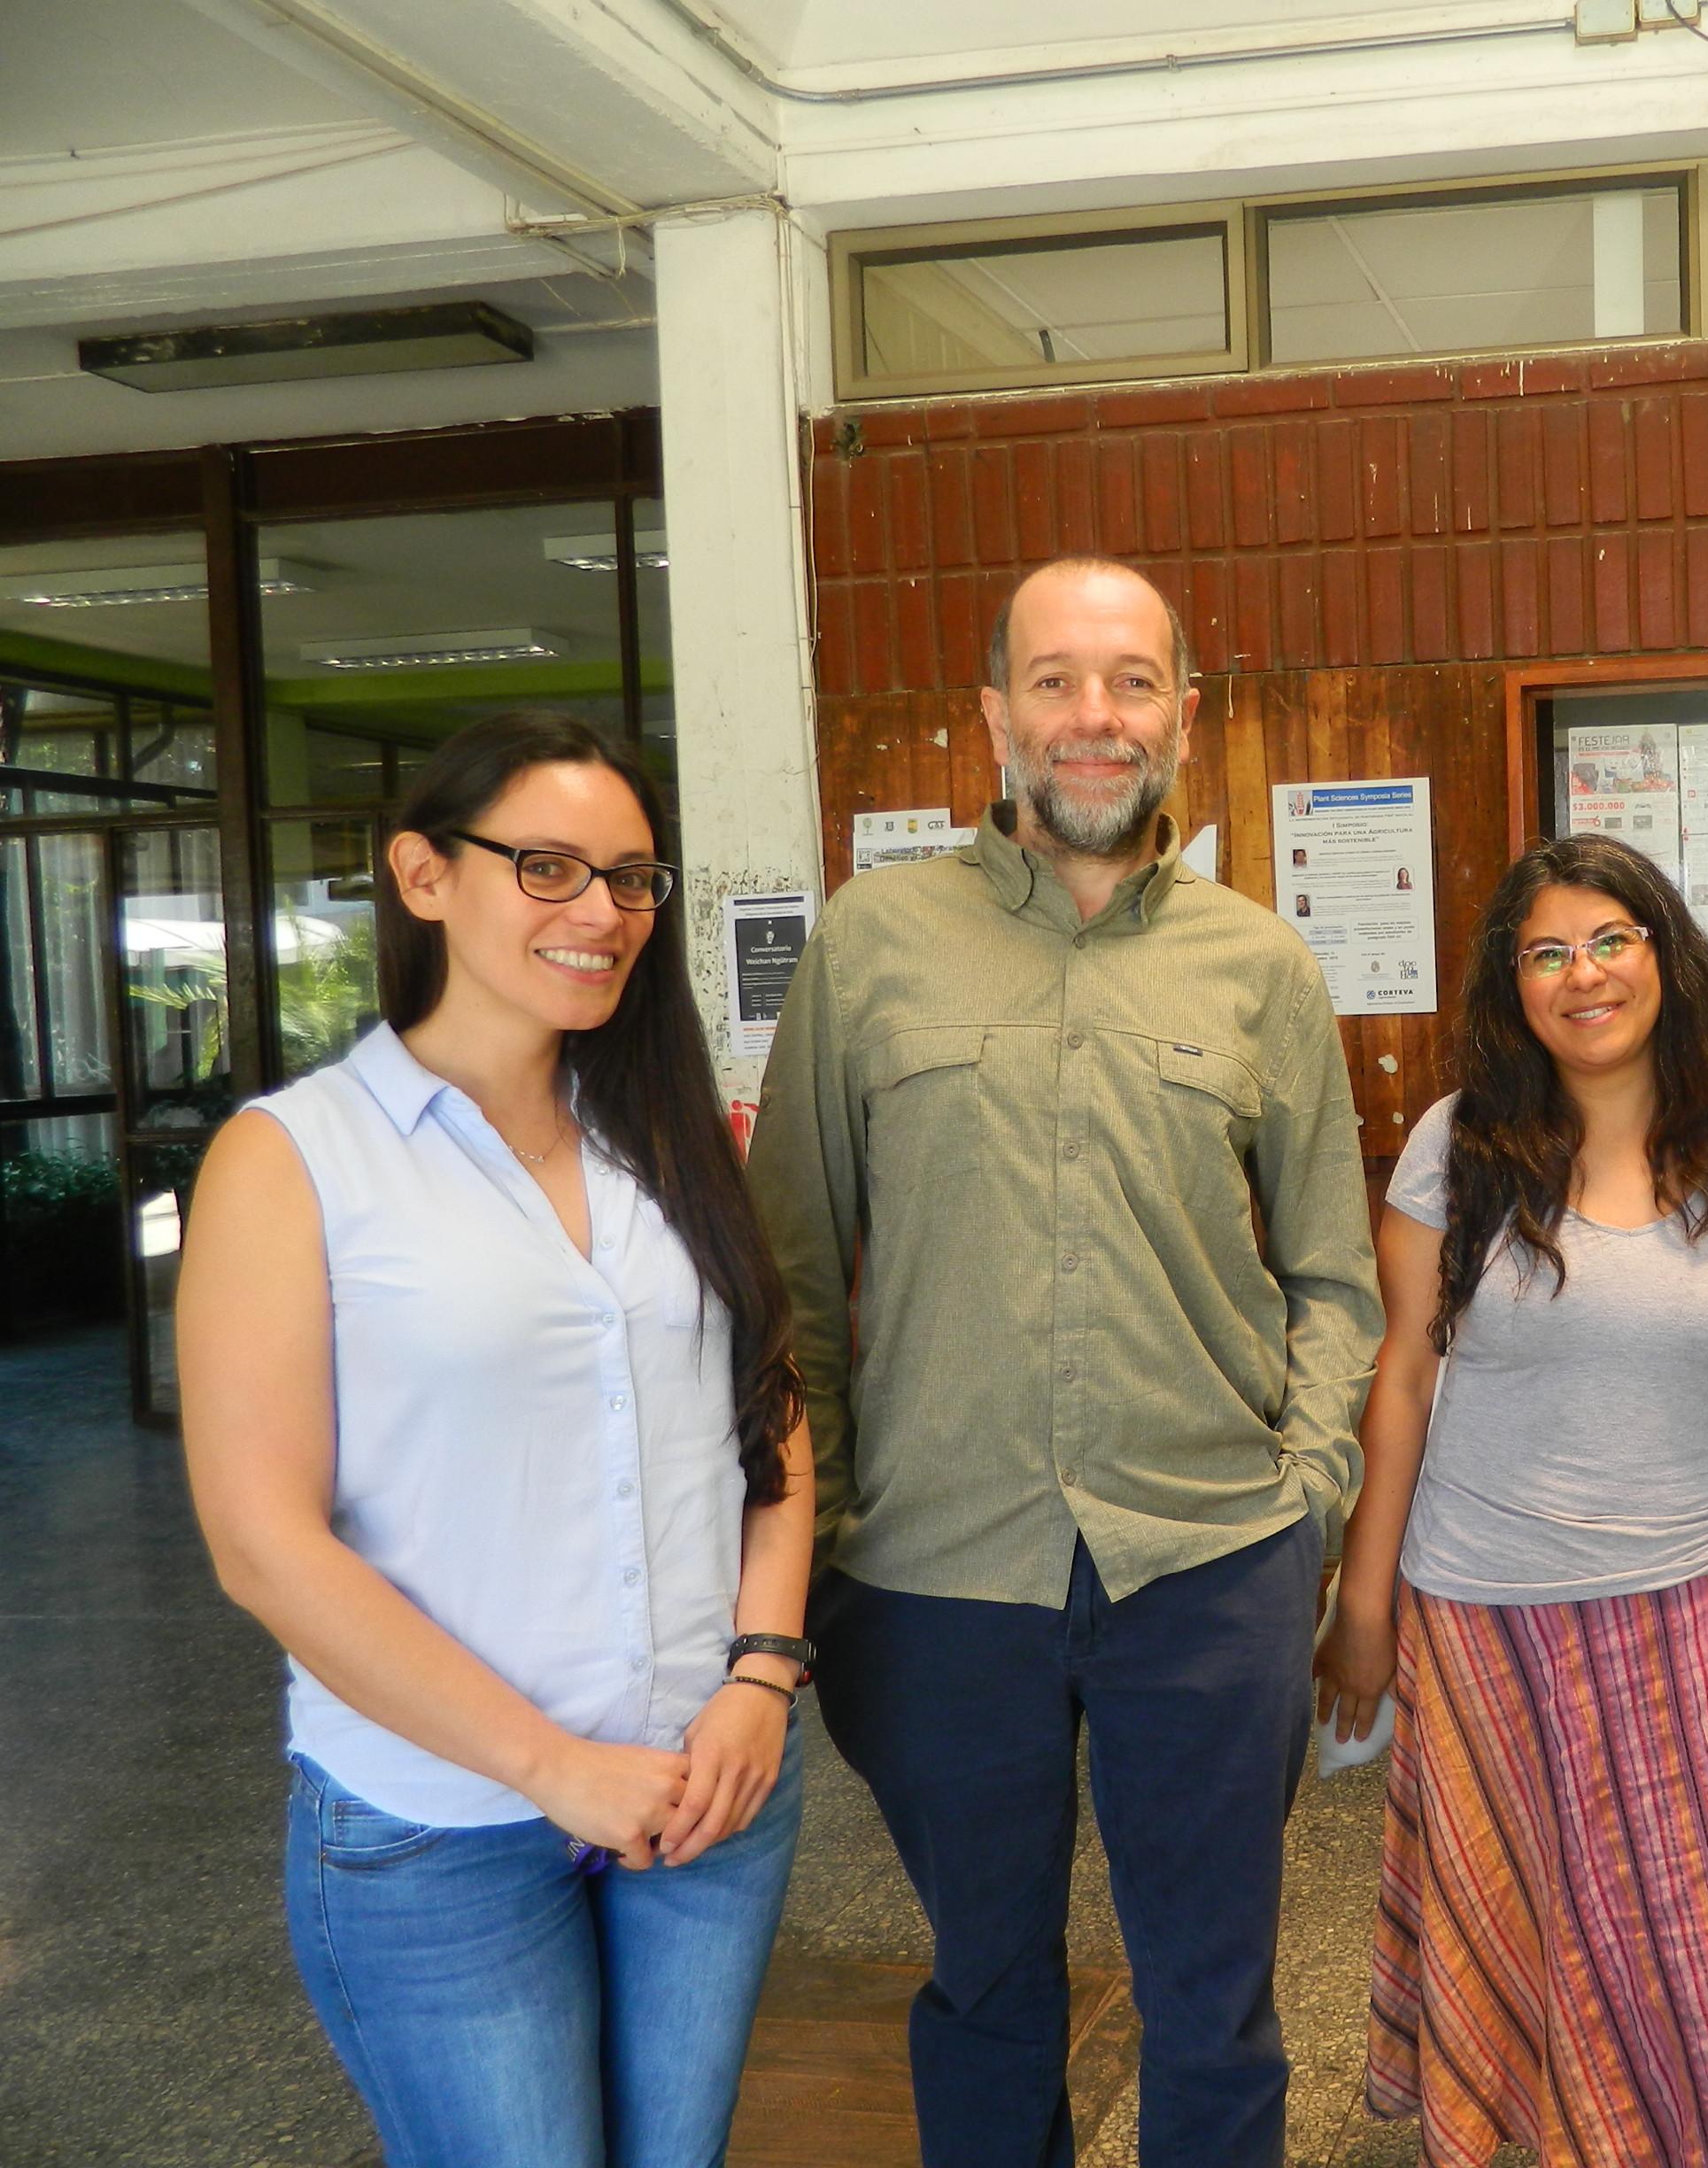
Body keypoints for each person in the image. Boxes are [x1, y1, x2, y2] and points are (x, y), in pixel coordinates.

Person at [746, 554, 1381, 2168]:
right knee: (985, 1988)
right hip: (936, 1571)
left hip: (1208, 1557)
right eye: (1053, 679)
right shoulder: (870, 943)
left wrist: (1301, 1497)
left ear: (1182, 709)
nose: (1091, 716)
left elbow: (1330, 1272)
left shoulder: (1260, 965)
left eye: (1128, 680)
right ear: (991, 714)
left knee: (1210, 1997)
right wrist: (814, 1544)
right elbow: (794, 1268)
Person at [178, 711, 815, 2168]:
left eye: (633, 877)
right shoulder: (295, 1158)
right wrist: (544, 1761)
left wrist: (762, 1680)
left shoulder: (667, 1137)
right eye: (546, 866)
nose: (600, 911)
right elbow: (262, 1544)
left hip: (703, 1791)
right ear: (421, 875)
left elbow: (770, 1416)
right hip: (441, 1828)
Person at [1317, 832, 1708, 2168]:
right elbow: (1402, 1379)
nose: (1584, 976)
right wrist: (1363, 1601)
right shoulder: (1460, 1146)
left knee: (1700, 1944)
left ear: (1665, 957)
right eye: (1547, 952)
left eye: (1610, 941)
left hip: (1698, 1626)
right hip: (1490, 1621)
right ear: (1513, 987)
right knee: (1537, 1947)